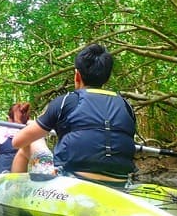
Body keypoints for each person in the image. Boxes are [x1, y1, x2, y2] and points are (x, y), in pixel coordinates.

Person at [12, 43, 136, 183]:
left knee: (30, 143)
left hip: (72, 180)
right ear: (106, 78)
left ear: (77, 75)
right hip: (120, 182)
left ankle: (14, 191)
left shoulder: (66, 101)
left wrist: (33, 125)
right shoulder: (126, 105)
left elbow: (17, 142)